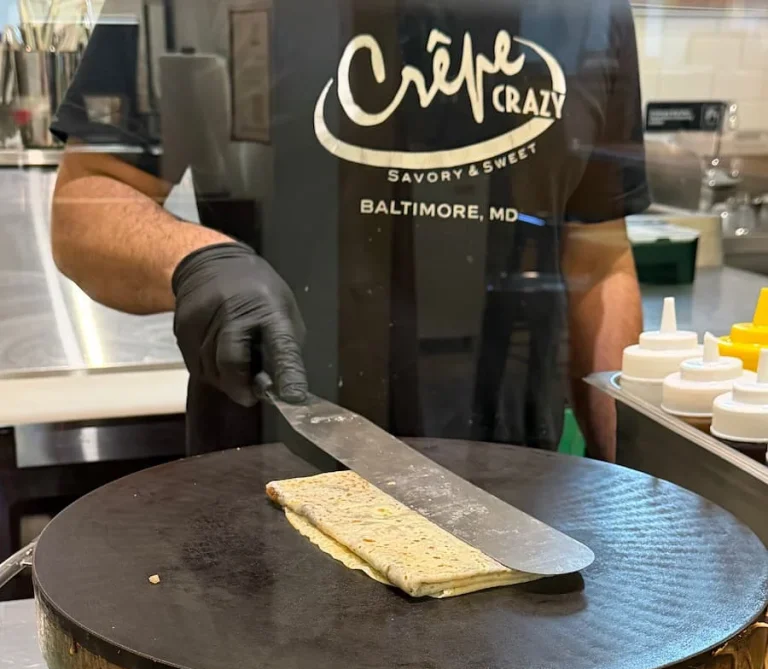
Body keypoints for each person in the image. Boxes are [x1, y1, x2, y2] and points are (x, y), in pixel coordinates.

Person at [50, 0, 648, 460]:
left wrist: (635, 484)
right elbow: (88, 198)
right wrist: (197, 259)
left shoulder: (590, 12)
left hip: (515, 486)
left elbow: (596, 256)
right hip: (267, 471)